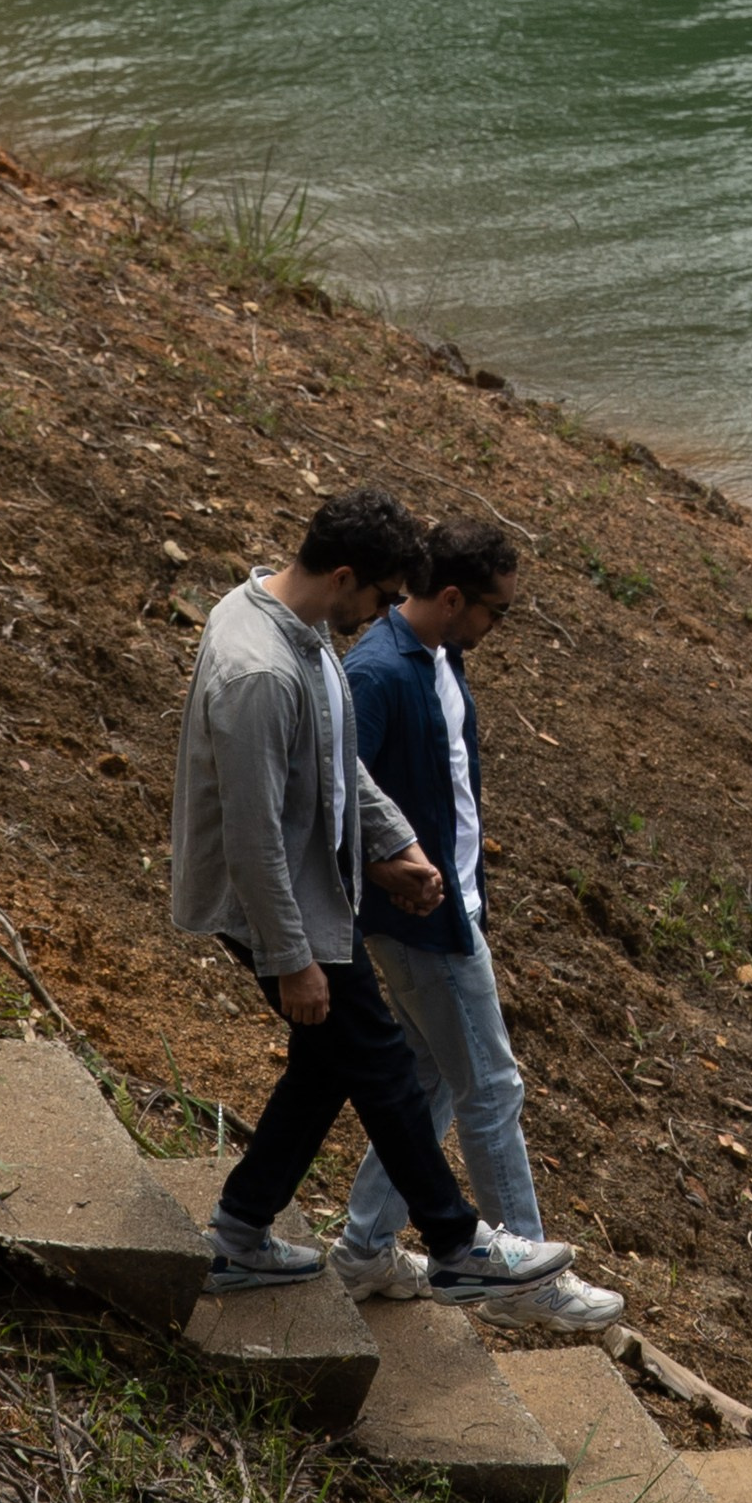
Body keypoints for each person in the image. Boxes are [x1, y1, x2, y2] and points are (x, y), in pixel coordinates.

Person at [170, 485, 575, 1306]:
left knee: (327, 1065)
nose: (388, 612)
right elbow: (252, 839)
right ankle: (460, 1244)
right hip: (277, 901)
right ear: (346, 574)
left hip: (310, 883)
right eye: (385, 597)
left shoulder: (301, 632)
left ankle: (237, 1235)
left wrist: (392, 843)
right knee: (385, 1062)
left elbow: (338, 758)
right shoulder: (260, 672)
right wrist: (292, 961)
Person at [334, 512, 626, 1338]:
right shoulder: (378, 673)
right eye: (497, 611)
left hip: (454, 908)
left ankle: (363, 1250)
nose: (500, 627)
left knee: (427, 1078)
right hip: (419, 921)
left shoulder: (440, 654)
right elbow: (335, 780)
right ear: (454, 597)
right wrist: (397, 864)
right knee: (491, 1087)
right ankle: (522, 1279)